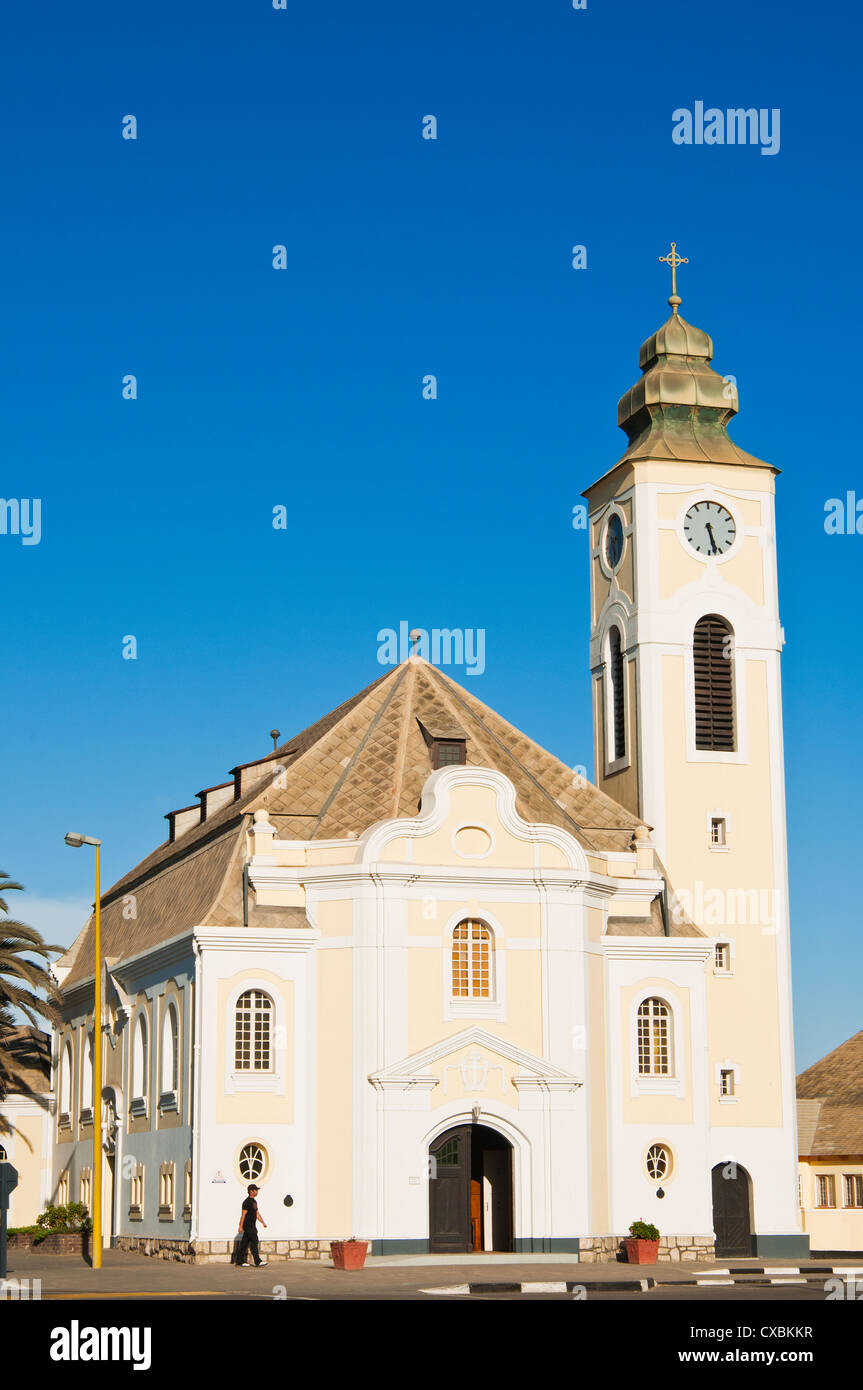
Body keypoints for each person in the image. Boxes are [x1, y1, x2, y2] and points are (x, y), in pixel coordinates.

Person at [236, 1183, 268, 1267]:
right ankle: (257, 1261)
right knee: (254, 1241)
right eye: (256, 1190)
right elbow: (243, 1214)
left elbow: (257, 1213)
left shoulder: (254, 1202)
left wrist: (263, 1222)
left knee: (244, 1243)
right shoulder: (246, 1202)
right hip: (248, 1226)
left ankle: (239, 1261)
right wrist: (240, 1226)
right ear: (251, 1191)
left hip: (252, 1226)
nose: (257, 1192)